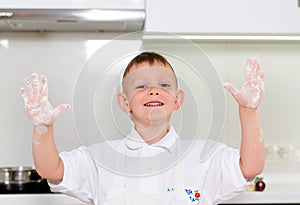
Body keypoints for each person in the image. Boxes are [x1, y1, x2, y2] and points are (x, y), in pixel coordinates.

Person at [20, 52, 265, 205]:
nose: (153, 90)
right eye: (141, 86)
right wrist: (43, 128)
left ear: (178, 100)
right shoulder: (99, 158)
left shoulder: (205, 156)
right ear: (124, 103)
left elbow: (250, 167)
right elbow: (51, 170)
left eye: (164, 84)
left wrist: (249, 111)